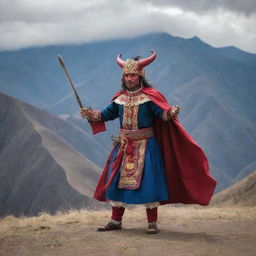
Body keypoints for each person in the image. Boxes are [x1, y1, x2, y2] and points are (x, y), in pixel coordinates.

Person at [80, 51, 217, 234]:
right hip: (123, 146)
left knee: (150, 183)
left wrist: (170, 112)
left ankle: (152, 223)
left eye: (133, 75)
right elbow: (105, 115)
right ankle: (115, 220)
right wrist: (90, 114)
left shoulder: (149, 97)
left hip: (146, 146)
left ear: (140, 77)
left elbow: (161, 112)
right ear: (123, 77)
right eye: (127, 75)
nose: (130, 78)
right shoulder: (119, 99)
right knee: (114, 181)